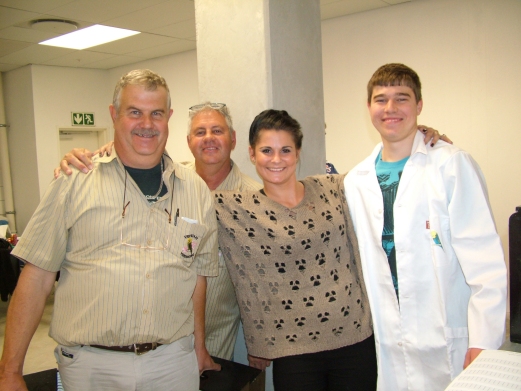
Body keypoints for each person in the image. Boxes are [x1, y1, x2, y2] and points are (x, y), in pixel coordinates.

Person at [0, 70, 219, 391]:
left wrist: (199, 347)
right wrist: (10, 371)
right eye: (134, 112)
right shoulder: (73, 181)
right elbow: (36, 277)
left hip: (172, 362)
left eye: (156, 113)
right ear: (114, 115)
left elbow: (196, 278)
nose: (147, 123)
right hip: (92, 366)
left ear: (169, 117)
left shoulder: (195, 190)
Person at [344, 63, 507, 391]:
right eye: (381, 99)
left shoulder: (451, 164)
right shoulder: (355, 181)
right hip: (388, 344)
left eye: (402, 98)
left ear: (419, 106)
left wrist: (484, 341)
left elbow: (485, 262)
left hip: (450, 341)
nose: (390, 108)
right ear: (368, 108)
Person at [214, 109, 376, 391]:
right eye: (267, 150)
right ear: (252, 154)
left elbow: (383, 173)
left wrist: (420, 139)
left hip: (355, 339)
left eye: (286, 150)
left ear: (298, 153)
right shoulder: (235, 208)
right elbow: (185, 186)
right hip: (293, 351)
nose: (276, 160)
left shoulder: (332, 188)